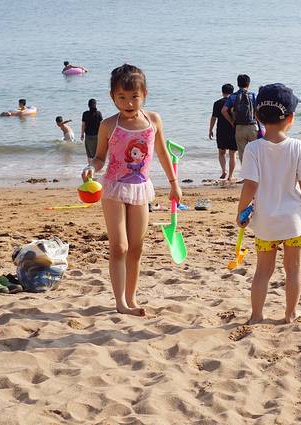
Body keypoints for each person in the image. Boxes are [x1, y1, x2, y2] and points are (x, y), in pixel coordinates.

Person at [81, 64, 182, 316]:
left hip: (140, 190)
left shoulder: (153, 120)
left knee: (136, 247)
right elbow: (100, 158)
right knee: (120, 246)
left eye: (134, 97)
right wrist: (91, 168)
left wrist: (174, 184)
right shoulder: (108, 125)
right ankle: (120, 303)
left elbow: (162, 153)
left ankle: (131, 297)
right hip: (113, 189)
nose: (128, 103)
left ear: (144, 94)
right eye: (122, 97)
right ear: (112, 97)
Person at [237, 83, 301, 324]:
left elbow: (250, 186)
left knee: (263, 271)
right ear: (291, 118)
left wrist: (241, 212)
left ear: (258, 116)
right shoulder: (298, 147)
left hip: (265, 222)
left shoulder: (253, 148)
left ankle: (256, 315)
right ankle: (290, 314)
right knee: (293, 269)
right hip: (293, 221)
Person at [222, 74, 258, 163]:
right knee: (256, 152)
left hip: (239, 127)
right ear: (248, 84)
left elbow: (224, 111)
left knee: (242, 153)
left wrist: (232, 122)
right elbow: (259, 110)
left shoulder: (233, 96)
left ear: (238, 84)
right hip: (252, 126)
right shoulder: (253, 95)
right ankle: (256, 170)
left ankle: (246, 170)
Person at [209, 83, 237, 180]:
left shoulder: (217, 103)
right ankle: (231, 175)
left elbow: (213, 117)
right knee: (233, 154)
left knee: (221, 152)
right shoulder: (235, 102)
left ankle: (224, 171)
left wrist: (210, 129)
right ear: (232, 92)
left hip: (221, 130)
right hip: (233, 130)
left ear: (222, 92)